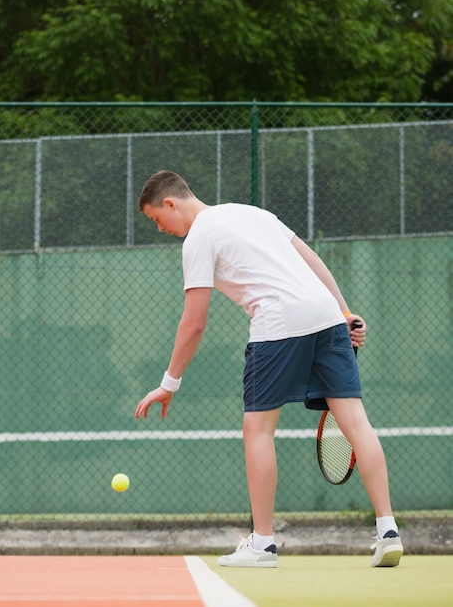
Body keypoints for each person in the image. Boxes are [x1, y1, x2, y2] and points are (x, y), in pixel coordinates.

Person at [134, 170, 403, 568]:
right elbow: (311, 259)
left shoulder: (198, 239)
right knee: (356, 423)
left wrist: (168, 383)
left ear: (171, 203)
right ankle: (388, 531)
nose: (159, 229)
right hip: (326, 317)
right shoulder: (252, 213)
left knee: (257, 429)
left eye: (157, 219)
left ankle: (263, 545)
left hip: (277, 324)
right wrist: (344, 312)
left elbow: (194, 323)